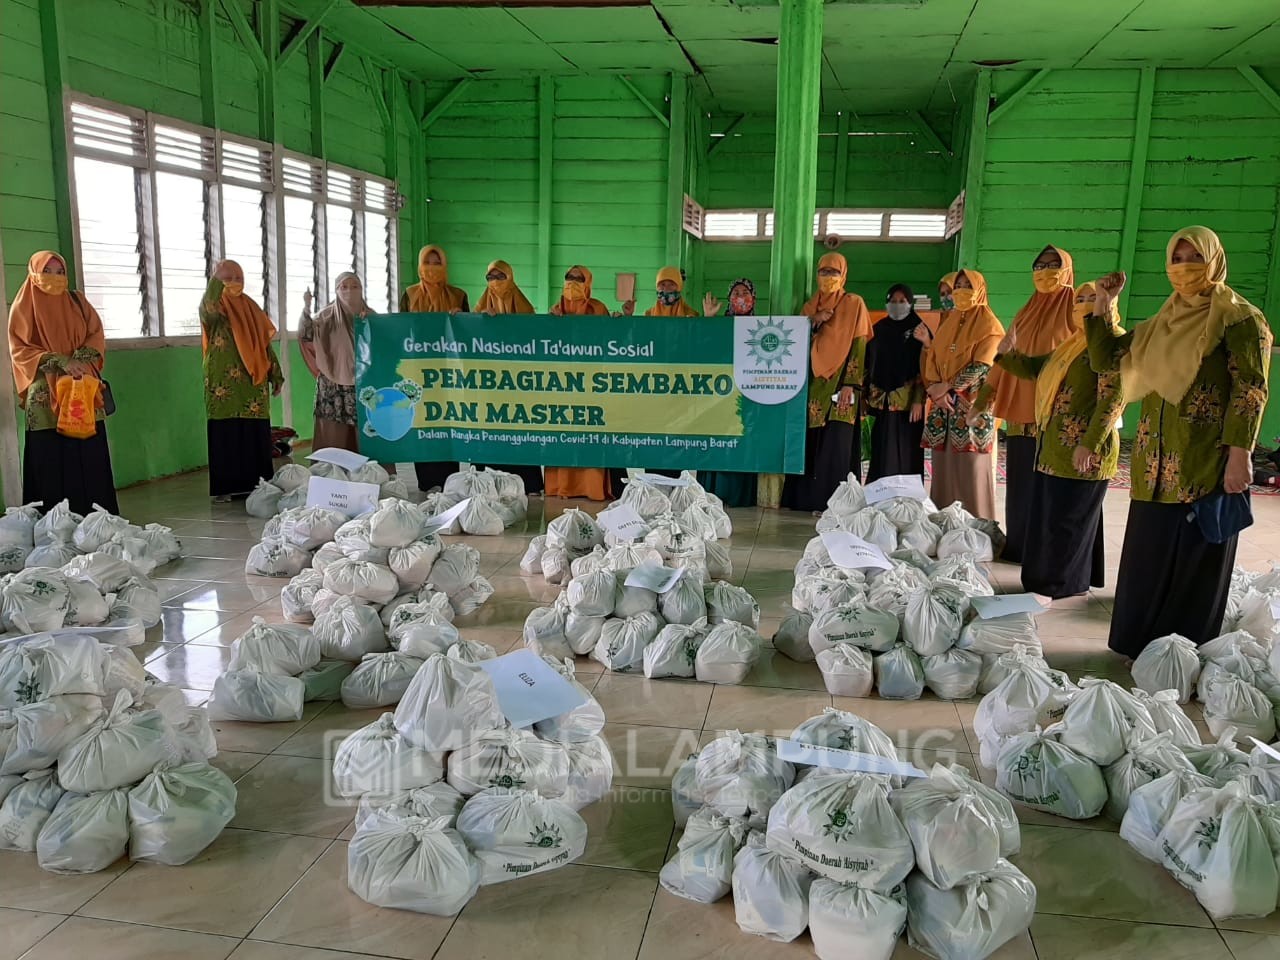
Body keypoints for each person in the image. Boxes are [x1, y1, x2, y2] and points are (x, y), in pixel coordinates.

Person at [1087, 226, 1271, 657]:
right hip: (1153, 466)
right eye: (1176, 258)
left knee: (1193, 562)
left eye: (1194, 258)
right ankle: (1139, 646)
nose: (1184, 267)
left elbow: (1251, 390)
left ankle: (1183, 654)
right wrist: (1104, 305)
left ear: (1214, 260)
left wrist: (1240, 456)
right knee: (1149, 559)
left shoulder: (1241, 319)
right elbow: (1105, 358)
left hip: (1204, 462)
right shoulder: (1163, 321)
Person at [989, 282, 1124, 598]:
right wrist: (1007, 354)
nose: (1084, 305)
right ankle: (1046, 578)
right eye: (1080, 299)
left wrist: (1090, 443)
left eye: (1094, 299)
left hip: (1083, 450)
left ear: (1108, 304)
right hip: (1054, 448)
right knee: (1053, 519)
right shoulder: (1072, 345)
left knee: (1070, 521)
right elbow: (1039, 368)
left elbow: (1113, 398)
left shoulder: (1112, 344)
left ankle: (1063, 583)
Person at [972, 246, 1078, 563]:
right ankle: (1020, 546)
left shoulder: (1076, 309)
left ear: (1067, 269)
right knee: (1021, 484)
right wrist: (983, 398)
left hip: (1055, 416)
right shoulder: (1027, 310)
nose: (1045, 271)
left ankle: (1046, 553)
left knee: (1049, 488)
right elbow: (1004, 358)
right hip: (1020, 415)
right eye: (1039, 265)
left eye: (1053, 265)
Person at [8, 250, 119, 515]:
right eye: (47, 271)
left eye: (60, 272)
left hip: (82, 386)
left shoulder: (77, 301)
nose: (55, 278)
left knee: (88, 454)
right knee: (51, 456)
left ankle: (96, 517)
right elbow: (19, 348)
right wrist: (59, 361)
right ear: (34, 273)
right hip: (46, 395)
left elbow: (96, 334)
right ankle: (53, 522)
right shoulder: (24, 306)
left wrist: (79, 360)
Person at [781, 253, 872, 513]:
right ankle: (805, 501)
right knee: (811, 442)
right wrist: (814, 321)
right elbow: (794, 344)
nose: (828, 277)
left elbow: (859, 346)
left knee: (837, 444)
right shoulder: (809, 308)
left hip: (842, 382)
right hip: (813, 384)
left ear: (843, 275)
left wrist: (851, 385)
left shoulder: (854, 303)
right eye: (823, 271)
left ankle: (835, 504)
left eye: (834, 272)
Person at [200, 259, 283, 501]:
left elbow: (264, 345)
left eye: (238, 277)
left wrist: (275, 374)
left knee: (253, 431)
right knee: (225, 430)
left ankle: (256, 485)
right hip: (222, 382)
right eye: (227, 278)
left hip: (252, 381)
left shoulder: (251, 307)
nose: (234, 283)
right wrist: (216, 280)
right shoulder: (216, 306)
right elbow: (208, 308)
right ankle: (225, 489)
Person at [923, 269, 1002, 519]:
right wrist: (936, 390)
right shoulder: (948, 325)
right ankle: (943, 527)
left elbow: (982, 366)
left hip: (972, 409)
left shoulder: (990, 325)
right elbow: (932, 360)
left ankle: (977, 529)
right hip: (942, 410)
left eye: (968, 285)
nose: (961, 291)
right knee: (943, 470)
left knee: (971, 472)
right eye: (959, 286)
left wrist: (946, 387)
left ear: (980, 289)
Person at [471, 260, 543, 495]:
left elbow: (533, 338)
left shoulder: (525, 309)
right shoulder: (481, 308)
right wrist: (481, 322)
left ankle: (528, 482)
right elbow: (468, 340)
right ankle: (486, 481)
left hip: (519, 384)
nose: (495, 282)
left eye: (501, 276)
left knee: (520, 428)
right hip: (489, 384)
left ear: (511, 278)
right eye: (490, 277)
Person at [399, 244, 467, 492]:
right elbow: (400, 329)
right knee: (424, 420)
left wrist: (460, 318)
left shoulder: (458, 296)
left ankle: (450, 480)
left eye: (438, 262)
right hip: (419, 370)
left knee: (447, 419)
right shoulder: (409, 294)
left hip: (448, 373)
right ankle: (427, 480)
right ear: (419, 265)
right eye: (428, 262)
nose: (432, 268)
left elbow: (469, 335)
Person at [545, 266, 615, 501]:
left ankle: (591, 486)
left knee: (589, 434)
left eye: (578, 278)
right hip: (562, 385)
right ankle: (561, 486)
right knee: (564, 433)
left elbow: (611, 341)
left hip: (592, 386)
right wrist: (551, 324)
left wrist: (618, 322)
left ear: (588, 282)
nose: (572, 282)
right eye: (568, 278)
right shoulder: (556, 311)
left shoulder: (598, 308)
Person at [696, 278, 759, 507]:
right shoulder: (720, 325)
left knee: (742, 442)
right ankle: (713, 493)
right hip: (718, 397)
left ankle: (740, 495)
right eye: (735, 293)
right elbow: (701, 349)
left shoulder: (763, 328)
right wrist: (709, 320)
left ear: (753, 298)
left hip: (748, 399)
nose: (740, 297)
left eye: (745, 292)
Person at [863, 283, 925, 482]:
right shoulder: (878, 330)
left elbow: (925, 368)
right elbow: (867, 364)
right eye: (893, 301)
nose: (897, 305)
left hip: (907, 404)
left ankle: (906, 496)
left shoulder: (919, 330)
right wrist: (865, 396)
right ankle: (879, 494)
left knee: (905, 451)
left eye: (902, 301)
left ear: (910, 303)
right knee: (881, 450)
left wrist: (918, 400)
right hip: (881, 401)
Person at [299, 272, 365, 453]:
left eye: (354, 287)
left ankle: (371, 477)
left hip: (363, 384)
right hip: (332, 386)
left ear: (361, 289)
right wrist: (306, 308)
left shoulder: (370, 317)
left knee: (365, 434)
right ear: (336, 290)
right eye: (344, 287)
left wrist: (370, 324)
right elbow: (306, 335)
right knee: (333, 435)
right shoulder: (324, 318)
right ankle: (331, 476)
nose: (349, 292)